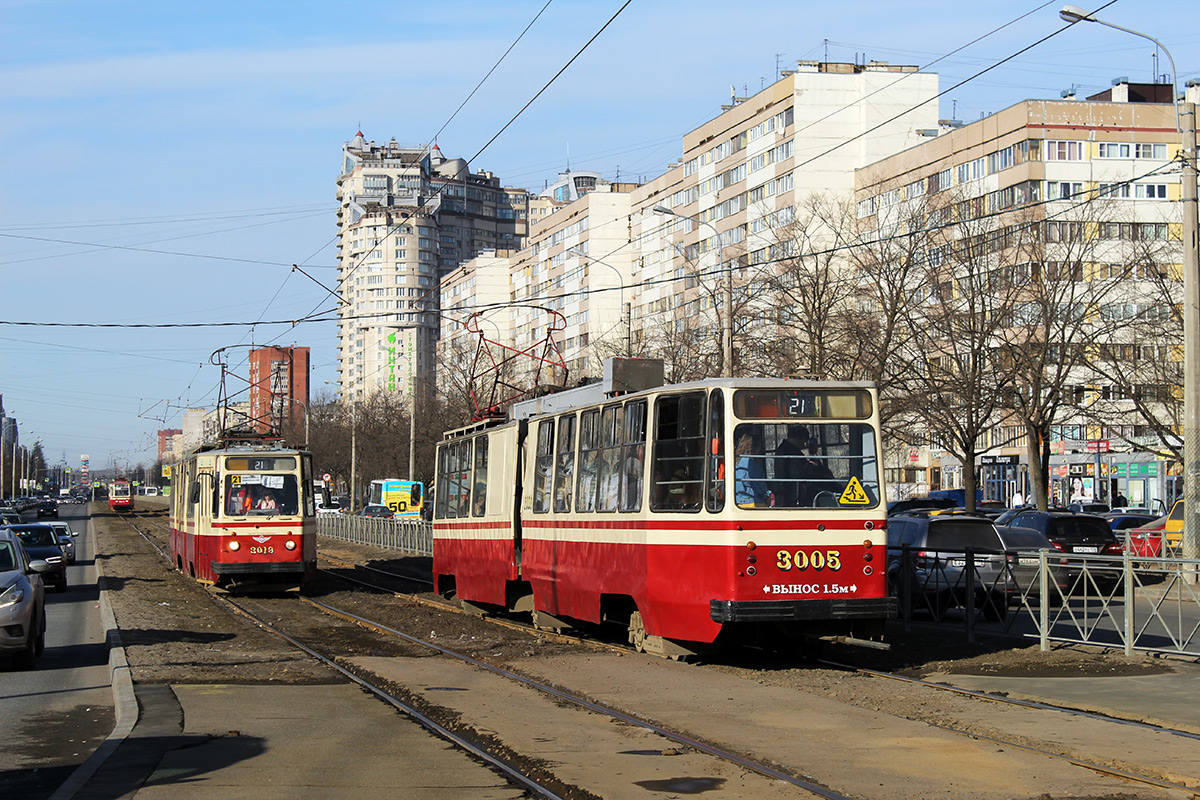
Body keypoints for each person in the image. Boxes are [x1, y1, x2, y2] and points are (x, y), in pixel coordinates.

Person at [734, 431, 772, 507]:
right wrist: (767, 495)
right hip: (753, 501)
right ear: (755, 447)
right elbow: (757, 483)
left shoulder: (737, 461)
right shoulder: (751, 463)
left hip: (739, 501)